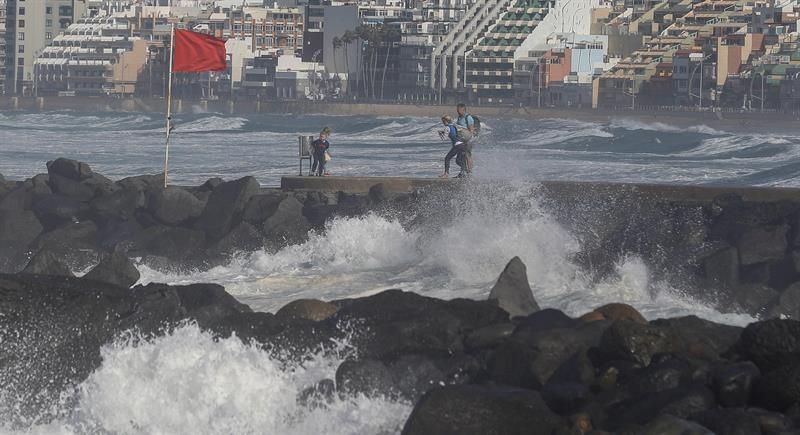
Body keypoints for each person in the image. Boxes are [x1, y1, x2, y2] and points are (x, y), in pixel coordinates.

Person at [455, 103, 478, 173]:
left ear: (463, 110)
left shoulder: (468, 117)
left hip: (468, 140)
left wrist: (469, 140)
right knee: (460, 158)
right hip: (461, 139)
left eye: (459, 110)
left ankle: (470, 171)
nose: (457, 111)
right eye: (457, 109)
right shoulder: (459, 117)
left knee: (467, 155)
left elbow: (471, 130)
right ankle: (463, 171)